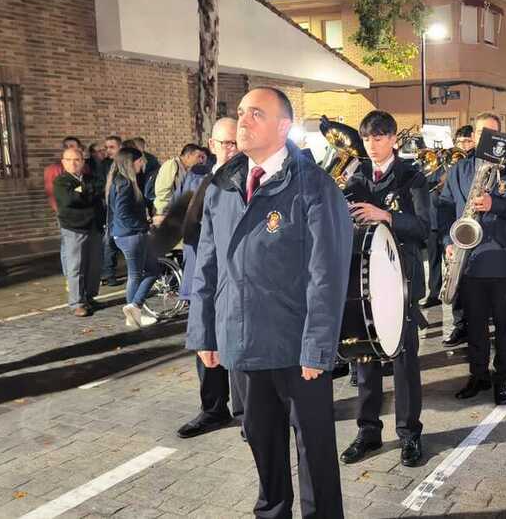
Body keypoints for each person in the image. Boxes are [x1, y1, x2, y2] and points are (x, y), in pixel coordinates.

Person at [187, 87, 352, 518]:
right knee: (263, 445)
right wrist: (205, 332)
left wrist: (318, 346)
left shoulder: (313, 186)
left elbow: (326, 274)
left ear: (283, 126)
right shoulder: (221, 186)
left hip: (297, 348)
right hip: (242, 344)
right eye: (241, 112)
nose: (242, 120)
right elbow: (207, 265)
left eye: (256, 113)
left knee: (314, 450)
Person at [339, 110, 427, 468]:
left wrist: (385, 215)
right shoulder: (355, 175)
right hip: (363, 280)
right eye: (366, 139)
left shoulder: (412, 176)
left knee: (405, 364)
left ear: (393, 139)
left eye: (378, 138)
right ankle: (368, 432)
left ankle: (409, 435)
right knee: (364, 360)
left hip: (401, 281)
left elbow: (424, 228)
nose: (371, 145)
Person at [438, 112, 506, 405]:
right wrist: (448, 241)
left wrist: (496, 204)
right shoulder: (460, 169)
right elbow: (445, 207)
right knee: (475, 324)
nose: (489, 139)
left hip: (505, 262)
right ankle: (478, 375)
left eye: (494, 133)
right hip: (470, 261)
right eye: (483, 133)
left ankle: (502, 378)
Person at [175, 118, 244, 440]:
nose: (228, 149)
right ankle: (214, 408)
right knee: (206, 343)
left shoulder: (251, 178)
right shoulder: (201, 180)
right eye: (222, 143)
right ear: (211, 145)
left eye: (234, 142)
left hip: (239, 280)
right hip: (207, 274)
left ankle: (251, 413)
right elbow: (186, 227)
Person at [106, 147, 159, 329]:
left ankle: (134, 308)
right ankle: (133, 311)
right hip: (131, 235)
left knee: (149, 271)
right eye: (139, 161)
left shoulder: (120, 181)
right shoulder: (125, 183)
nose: (142, 163)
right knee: (138, 274)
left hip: (127, 234)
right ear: (130, 162)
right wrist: (144, 225)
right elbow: (122, 213)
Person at [436, 125, 476, 348]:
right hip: (455, 233)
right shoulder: (451, 164)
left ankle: (477, 325)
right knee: (455, 281)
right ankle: (460, 325)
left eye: (468, 141)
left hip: (476, 233)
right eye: (460, 142)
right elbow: (445, 204)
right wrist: (447, 239)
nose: (464, 146)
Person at [54, 147, 105, 317]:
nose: (73, 163)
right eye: (69, 160)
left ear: (83, 161)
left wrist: (82, 192)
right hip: (74, 227)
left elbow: (99, 190)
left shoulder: (91, 178)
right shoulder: (61, 181)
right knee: (76, 265)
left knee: (94, 265)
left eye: (77, 159)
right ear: (63, 162)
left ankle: (89, 296)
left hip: (94, 226)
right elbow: (69, 200)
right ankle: (76, 302)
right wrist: (85, 193)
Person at [152, 144, 207, 225]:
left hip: (176, 211)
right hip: (164, 211)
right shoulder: (171, 165)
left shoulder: (187, 169)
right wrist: (166, 210)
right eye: (198, 156)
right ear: (188, 156)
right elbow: (161, 190)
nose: (199, 160)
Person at [99, 135, 124, 287]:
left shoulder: (125, 163)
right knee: (109, 240)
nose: (108, 150)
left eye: (112, 147)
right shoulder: (105, 165)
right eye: (106, 147)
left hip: (122, 204)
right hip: (109, 206)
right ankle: (108, 273)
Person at [44, 137, 85, 213]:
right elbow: (52, 194)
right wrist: (62, 212)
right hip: (67, 213)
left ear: (79, 148)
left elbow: (90, 189)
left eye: (71, 146)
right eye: (65, 146)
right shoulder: (52, 169)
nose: (68, 148)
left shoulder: (86, 167)